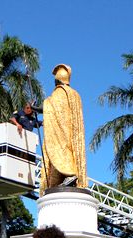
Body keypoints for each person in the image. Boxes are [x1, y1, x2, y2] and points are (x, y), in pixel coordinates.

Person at [40, 64, 88, 193]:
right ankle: (65, 178)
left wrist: (37, 108)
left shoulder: (60, 92)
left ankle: (69, 173)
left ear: (57, 80)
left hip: (60, 133)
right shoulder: (75, 94)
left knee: (58, 149)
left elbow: (51, 107)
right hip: (70, 133)